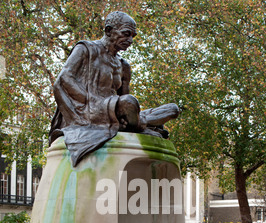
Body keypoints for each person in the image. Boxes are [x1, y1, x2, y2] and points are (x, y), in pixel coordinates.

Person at [49, 11, 180, 166]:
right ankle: (143, 123)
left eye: (133, 35)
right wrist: (89, 102)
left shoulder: (123, 66)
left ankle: (140, 122)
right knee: (130, 103)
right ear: (109, 31)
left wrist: (125, 117)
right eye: (126, 34)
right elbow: (64, 79)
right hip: (88, 108)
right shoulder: (86, 49)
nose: (130, 40)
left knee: (173, 109)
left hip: (114, 110)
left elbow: (127, 103)